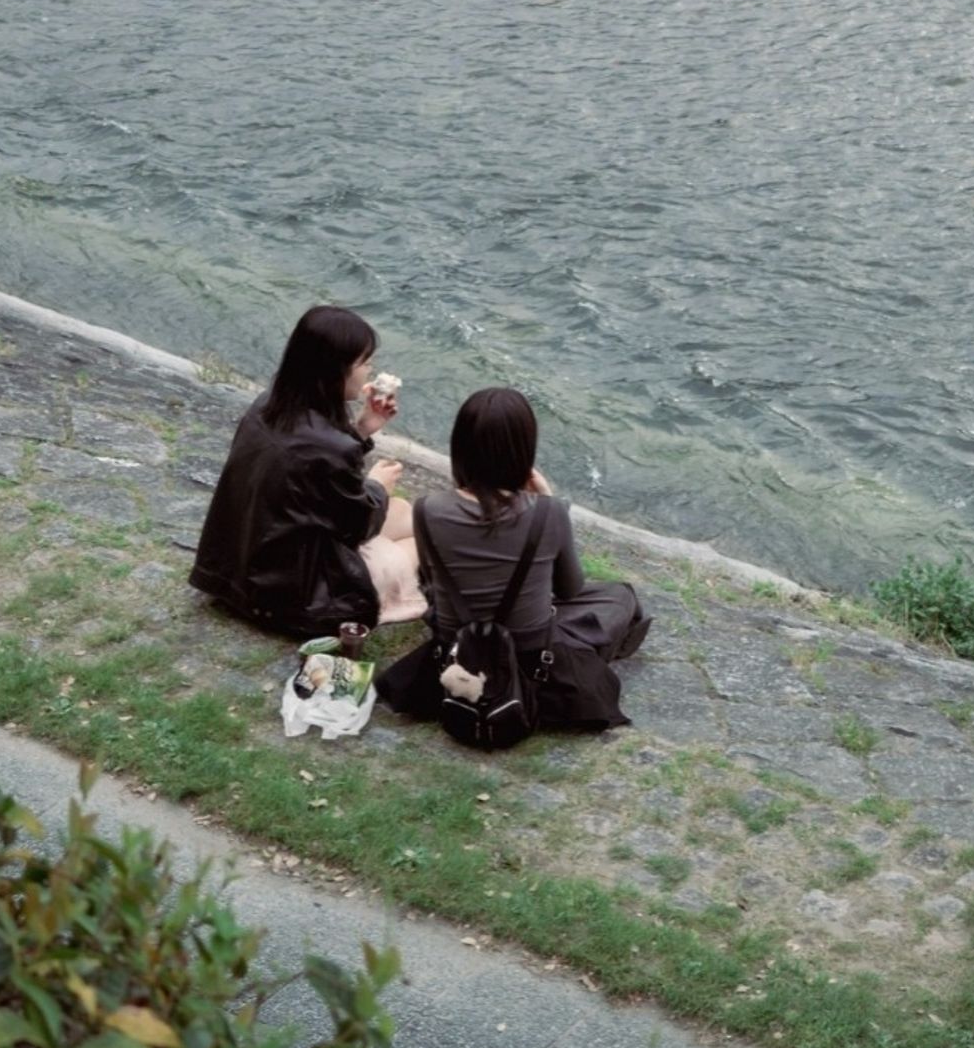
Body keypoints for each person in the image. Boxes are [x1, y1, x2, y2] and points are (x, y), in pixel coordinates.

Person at [378, 387, 648, 730]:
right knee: (620, 596)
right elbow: (569, 590)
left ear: (460, 449)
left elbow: (431, 579)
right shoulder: (547, 512)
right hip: (530, 650)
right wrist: (549, 500)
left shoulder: (427, 509)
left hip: (456, 641)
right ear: (524, 451)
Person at [189, 305, 424, 637]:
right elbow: (357, 527)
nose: (370, 371)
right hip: (291, 597)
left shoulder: (267, 405)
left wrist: (361, 430)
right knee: (417, 541)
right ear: (336, 369)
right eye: (365, 362)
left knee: (406, 513)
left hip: (236, 570)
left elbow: (313, 483)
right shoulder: (330, 448)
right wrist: (378, 486)